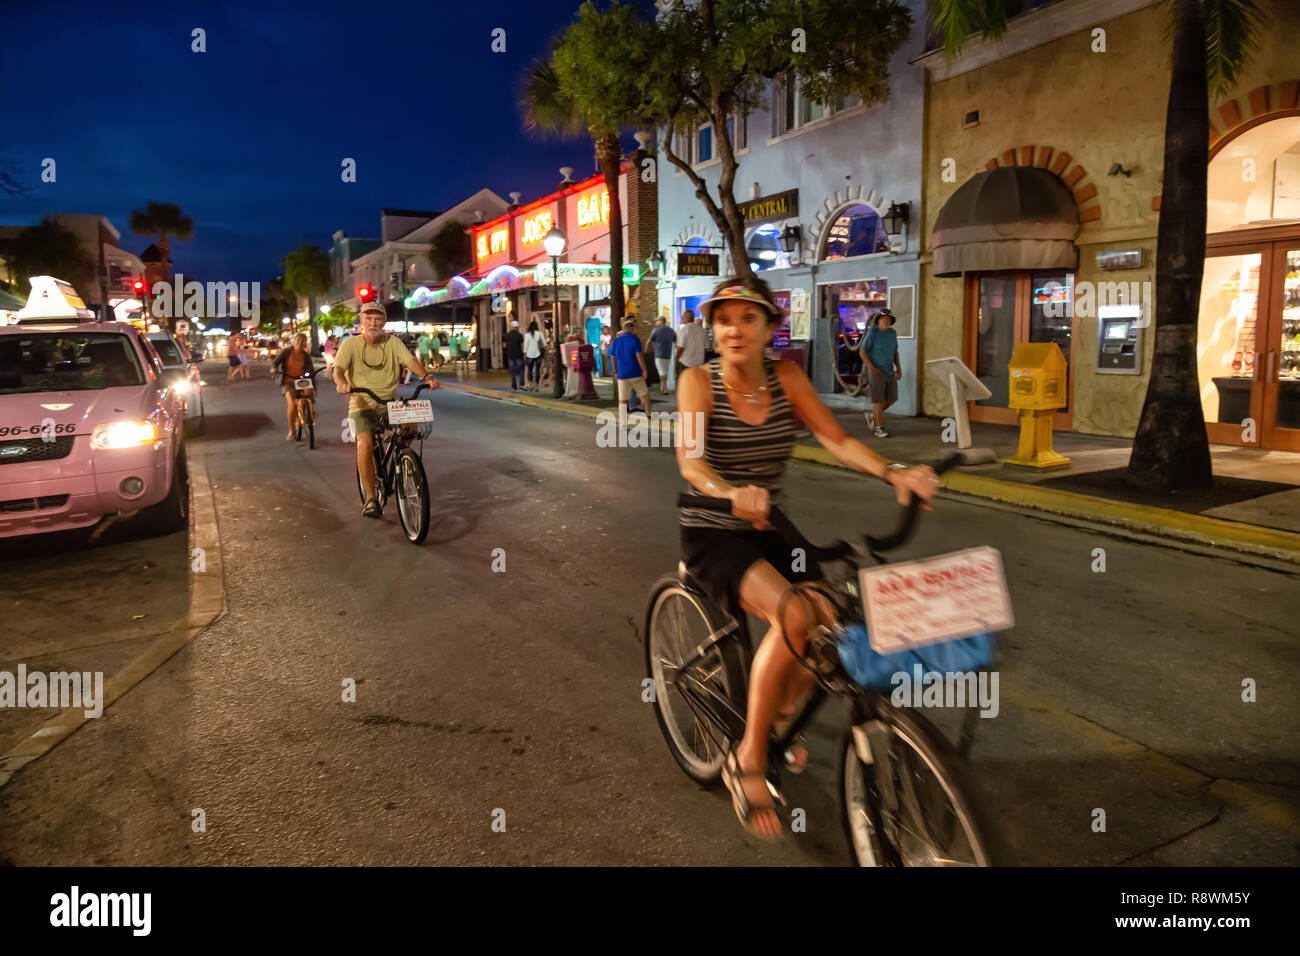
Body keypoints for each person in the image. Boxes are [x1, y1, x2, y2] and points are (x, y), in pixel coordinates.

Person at [675, 276, 937, 842]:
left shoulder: (786, 376)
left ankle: (778, 723)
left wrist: (894, 472)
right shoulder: (698, 381)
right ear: (713, 329)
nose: (734, 329)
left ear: (771, 329)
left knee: (830, 619)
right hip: (713, 526)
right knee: (796, 614)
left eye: (749, 318)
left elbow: (835, 439)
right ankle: (749, 756)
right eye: (724, 319)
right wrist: (727, 491)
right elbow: (691, 460)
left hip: (770, 522)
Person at [333, 302, 440, 518]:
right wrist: (341, 383)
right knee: (365, 443)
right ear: (361, 321)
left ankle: (405, 461)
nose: (373, 322)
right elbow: (339, 370)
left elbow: (410, 362)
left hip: (389, 403)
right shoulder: (350, 345)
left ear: (384, 322)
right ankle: (371, 499)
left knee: (410, 425)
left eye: (378, 319)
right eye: (369, 318)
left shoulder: (393, 343)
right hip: (361, 405)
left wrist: (427, 377)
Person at [858, 308, 901, 438]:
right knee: (879, 400)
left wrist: (899, 368)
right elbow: (862, 352)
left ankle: (872, 415)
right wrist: (871, 367)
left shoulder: (892, 333)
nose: (886, 320)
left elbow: (895, 352)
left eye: (888, 319)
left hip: (889, 371)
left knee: (892, 399)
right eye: (883, 318)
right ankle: (879, 428)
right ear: (878, 320)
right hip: (877, 372)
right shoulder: (873, 334)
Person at [271, 332, 316, 440]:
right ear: (293, 341)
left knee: (309, 392)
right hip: (287, 381)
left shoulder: (306, 356)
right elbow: (275, 362)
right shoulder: (286, 352)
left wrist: (311, 382)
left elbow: (310, 370)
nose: (299, 343)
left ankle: (310, 413)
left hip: (301, 380)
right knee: (292, 404)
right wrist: (274, 368)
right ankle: (291, 431)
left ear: (305, 343)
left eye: (302, 341)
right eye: (297, 340)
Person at [609, 318, 650, 417]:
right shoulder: (635, 340)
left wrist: (615, 371)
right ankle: (649, 414)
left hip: (622, 374)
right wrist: (644, 370)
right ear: (633, 329)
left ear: (623, 329)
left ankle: (623, 421)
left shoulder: (616, 341)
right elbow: (639, 356)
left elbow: (612, 357)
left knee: (622, 399)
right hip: (635, 372)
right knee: (644, 394)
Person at [675, 309, 706, 389]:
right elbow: (705, 348)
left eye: (683, 317)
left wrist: (676, 360)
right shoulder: (701, 330)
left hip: (685, 364)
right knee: (696, 387)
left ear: (687, 317)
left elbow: (680, 348)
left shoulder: (685, 329)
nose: (681, 319)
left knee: (683, 388)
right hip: (698, 364)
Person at [648, 317, 677, 396]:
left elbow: (648, 342)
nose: (656, 323)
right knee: (664, 371)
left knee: (662, 372)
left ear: (660, 321)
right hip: (668, 354)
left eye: (657, 321)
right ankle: (663, 387)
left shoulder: (655, 330)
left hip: (658, 354)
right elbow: (676, 341)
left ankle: (664, 388)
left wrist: (647, 350)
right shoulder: (671, 331)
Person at [504, 319, 526, 391]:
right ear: (517, 327)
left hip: (510, 355)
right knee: (521, 370)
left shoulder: (506, 335)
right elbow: (522, 345)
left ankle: (514, 387)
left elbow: (504, 345)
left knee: (512, 371)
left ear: (511, 327)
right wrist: (524, 353)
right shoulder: (520, 335)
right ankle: (522, 384)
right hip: (519, 355)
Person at [523, 320, 544, 391]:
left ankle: (531, 384)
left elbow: (526, 346)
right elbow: (544, 344)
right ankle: (537, 386)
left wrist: (525, 354)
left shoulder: (527, 335)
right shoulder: (540, 334)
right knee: (538, 371)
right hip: (538, 354)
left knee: (530, 370)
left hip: (529, 354)